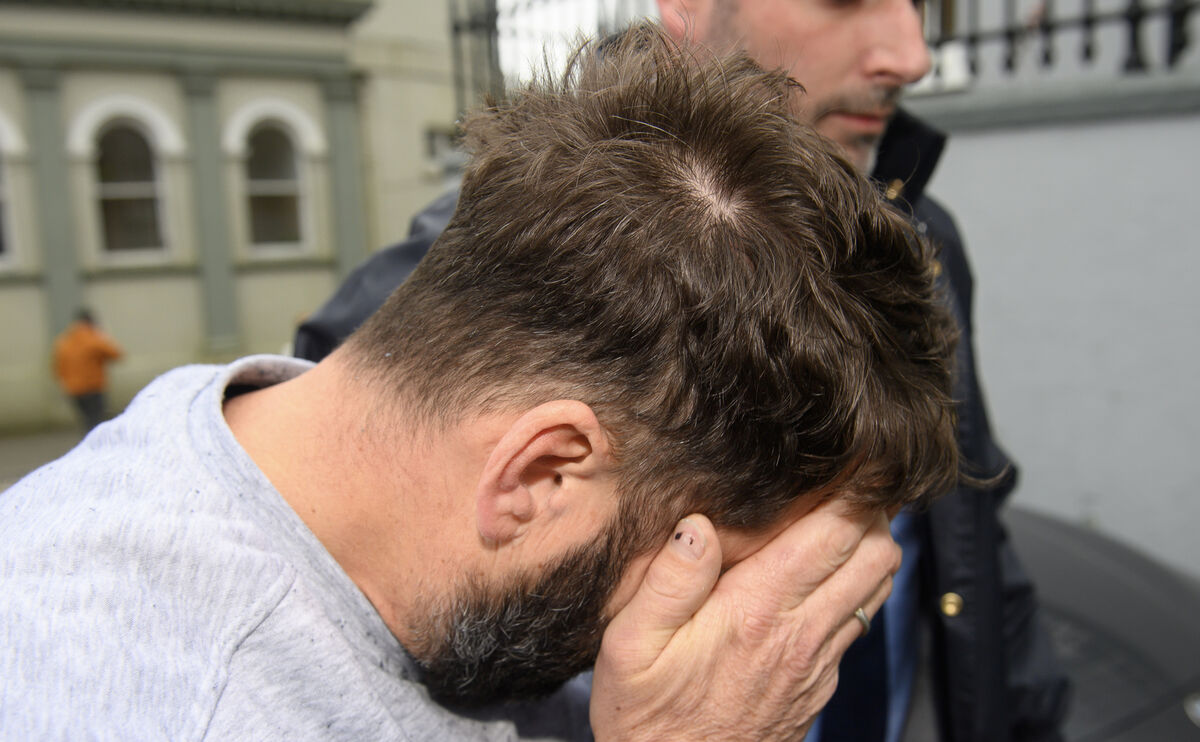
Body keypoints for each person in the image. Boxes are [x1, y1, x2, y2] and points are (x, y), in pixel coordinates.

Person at [1, 26, 959, 739]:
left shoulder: (265, 438)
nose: (739, 642)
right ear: (542, 475)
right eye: (709, 571)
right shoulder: (166, 705)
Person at [293, 3, 1071, 741]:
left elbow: (975, 532)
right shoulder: (492, 272)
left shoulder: (920, 242)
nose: (911, 54)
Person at [52, 308, 124, 433]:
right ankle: (96, 448)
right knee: (96, 420)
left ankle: (89, 445)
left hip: (73, 389)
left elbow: (58, 368)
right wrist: (103, 336)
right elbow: (116, 355)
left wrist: (67, 383)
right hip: (93, 387)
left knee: (87, 420)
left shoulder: (64, 341)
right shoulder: (94, 338)